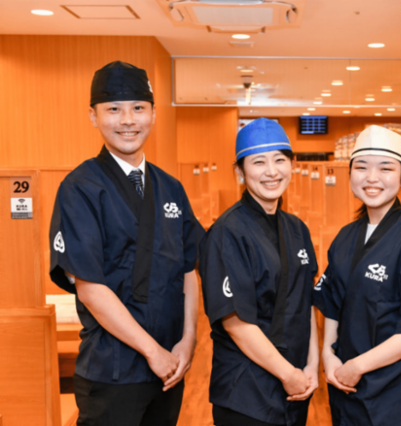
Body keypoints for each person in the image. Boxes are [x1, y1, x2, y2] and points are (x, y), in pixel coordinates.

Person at [49, 61, 203, 426]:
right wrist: (153, 352)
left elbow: (188, 269)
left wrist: (188, 339)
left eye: (138, 107)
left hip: (169, 367)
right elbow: (89, 288)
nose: (128, 120)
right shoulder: (80, 188)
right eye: (114, 109)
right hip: (113, 370)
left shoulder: (171, 188)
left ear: (153, 114)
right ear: (94, 116)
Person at [313, 125, 401, 426]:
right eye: (361, 167)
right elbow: (331, 304)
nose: (372, 178)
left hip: (393, 394)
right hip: (344, 385)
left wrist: (357, 366)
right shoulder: (345, 237)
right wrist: (328, 356)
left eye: (385, 168)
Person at [199, 118, 319, 426]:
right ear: (240, 172)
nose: (272, 171)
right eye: (259, 162)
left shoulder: (298, 229)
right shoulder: (226, 232)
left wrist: (312, 365)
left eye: (280, 160)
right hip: (247, 390)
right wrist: (288, 374)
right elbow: (235, 322)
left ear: (292, 165)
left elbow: (305, 303)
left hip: (296, 386)